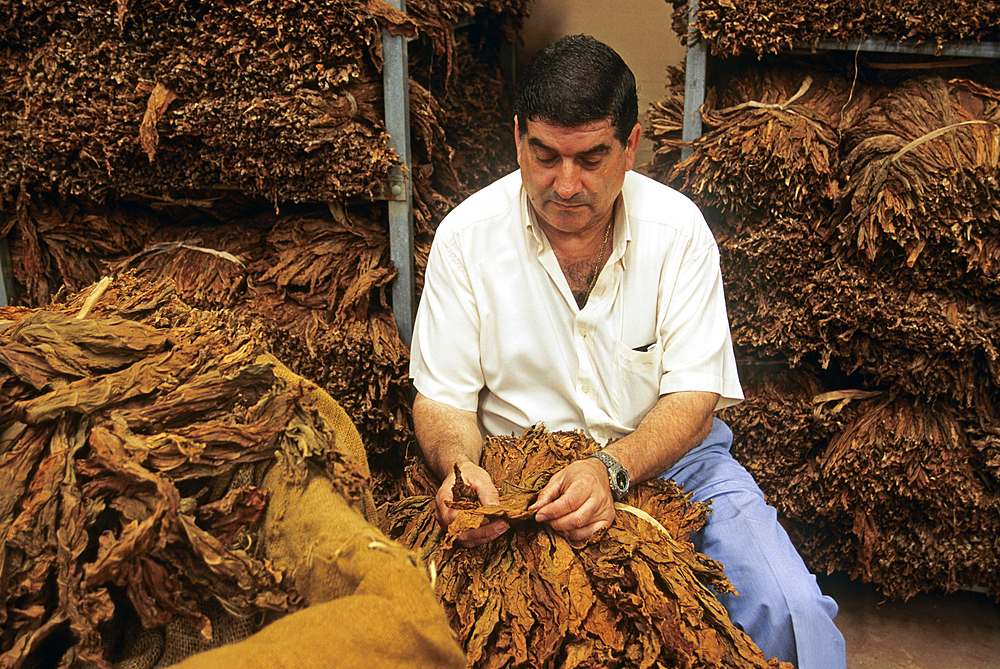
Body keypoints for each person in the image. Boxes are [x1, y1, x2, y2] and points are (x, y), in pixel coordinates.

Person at [408, 33, 846, 669]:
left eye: (590, 158)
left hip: (673, 462)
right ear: (518, 140)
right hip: (518, 477)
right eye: (545, 156)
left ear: (631, 146)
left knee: (789, 614)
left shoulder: (678, 232)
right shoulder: (464, 240)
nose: (565, 184)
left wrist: (611, 471)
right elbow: (443, 396)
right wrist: (460, 469)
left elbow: (695, 400)